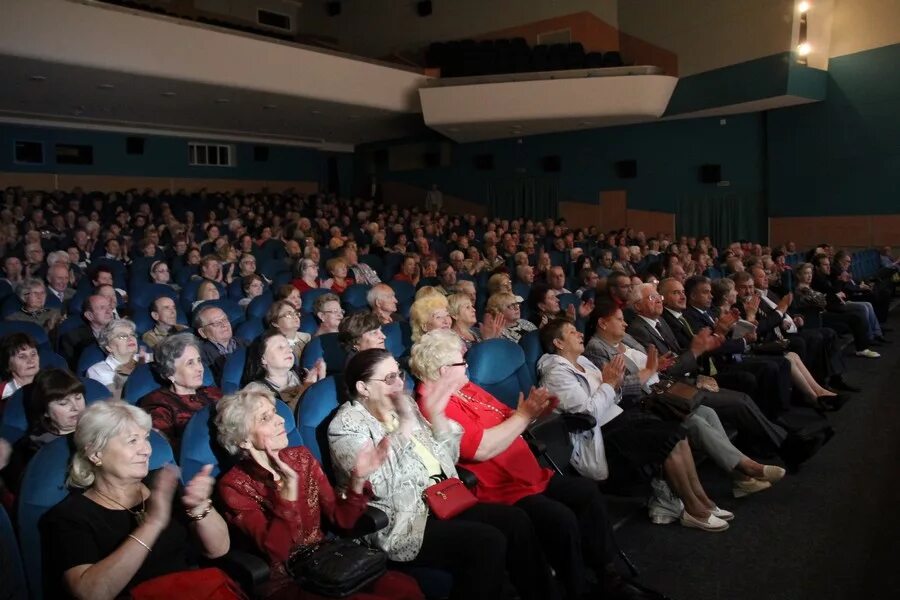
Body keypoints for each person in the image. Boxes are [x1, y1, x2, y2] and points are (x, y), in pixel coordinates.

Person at [409, 330, 666, 600]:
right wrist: (522, 416)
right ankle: (576, 588)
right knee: (559, 518)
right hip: (498, 487)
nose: (468, 365)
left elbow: (509, 416)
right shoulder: (434, 404)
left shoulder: (465, 389)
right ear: (442, 370)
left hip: (526, 472)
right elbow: (481, 448)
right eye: (462, 362)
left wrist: (534, 410)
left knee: (587, 493)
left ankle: (607, 575)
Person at [329, 348, 561, 600]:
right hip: (403, 520)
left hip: (443, 500)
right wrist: (404, 430)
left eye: (399, 375)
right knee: (487, 542)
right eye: (388, 379)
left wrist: (438, 418)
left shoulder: (403, 405)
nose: (399, 383)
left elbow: (449, 457)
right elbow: (378, 485)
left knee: (516, 520)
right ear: (363, 388)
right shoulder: (346, 426)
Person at [214, 383, 423, 600]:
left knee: (406, 588)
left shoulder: (301, 458)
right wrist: (287, 496)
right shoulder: (234, 485)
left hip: (327, 559)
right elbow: (276, 551)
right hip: (286, 579)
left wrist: (358, 480)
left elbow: (342, 521)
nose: (281, 420)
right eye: (265, 418)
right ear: (244, 440)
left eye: (275, 412)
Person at [537, 319, 731, 531]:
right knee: (668, 439)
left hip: (621, 419)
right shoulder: (556, 374)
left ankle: (703, 501)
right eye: (572, 332)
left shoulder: (584, 362)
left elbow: (611, 395)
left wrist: (615, 384)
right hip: (602, 435)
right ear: (558, 343)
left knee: (678, 433)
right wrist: (609, 385)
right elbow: (587, 414)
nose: (579, 334)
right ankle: (694, 510)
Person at [586, 300, 784, 498]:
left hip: (665, 390)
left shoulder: (626, 338)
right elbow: (615, 387)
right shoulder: (596, 349)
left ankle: (741, 477)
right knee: (696, 420)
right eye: (620, 319)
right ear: (603, 323)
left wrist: (658, 365)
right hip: (643, 404)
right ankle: (747, 469)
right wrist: (649, 370)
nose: (625, 323)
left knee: (708, 411)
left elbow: (651, 366)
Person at [40, 401, 232, 599]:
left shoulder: (162, 482)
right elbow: (90, 593)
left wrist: (200, 506)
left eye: (146, 438)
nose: (146, 450)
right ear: (96, 454)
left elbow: (218, 549)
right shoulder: (70, 516)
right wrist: (153, 524)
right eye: (132, 441)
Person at [1, 369, 86, 499]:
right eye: (63, 403)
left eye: (78, 397)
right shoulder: (32, 448)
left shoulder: (100, 429)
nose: (76, 407)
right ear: (45, 411)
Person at [138, 333, 223, 455]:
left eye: (199, 361)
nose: (199, 368)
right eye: (190, 363)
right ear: (170, 373)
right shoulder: (157, 403)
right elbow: (169, 450)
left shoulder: (212, 392)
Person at [240, 330, 325, 411]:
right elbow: (284, 420)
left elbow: (319, 408)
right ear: (263, 359)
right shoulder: (254, 390)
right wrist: (306, 387)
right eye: (280, 347)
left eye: (289, 345)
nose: (290, 350)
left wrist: (321, 378)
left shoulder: (304, 373)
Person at [86, 319, 150, 399]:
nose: (131, 338)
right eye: (122, 336)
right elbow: (118, 400)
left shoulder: (146, 358)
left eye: (132, 335)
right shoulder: (98, 371)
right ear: (109, 347)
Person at [58, 295, 116, 370]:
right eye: (102, 308)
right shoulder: (72, 339)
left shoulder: (121, 331)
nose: (109, 311)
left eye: (109, 307)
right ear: (89, 316)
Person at [194, 305, 247, 383]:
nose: (224, 325)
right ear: (203, 332)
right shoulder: (200, 356)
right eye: (216, 323)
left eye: (225, 320)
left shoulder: (247, 344)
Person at [0, 332, 40, 404]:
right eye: (22, 356)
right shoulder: (2, 393)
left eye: (33, 354)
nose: (31, 360)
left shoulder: (52, 384)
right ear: (8, 365)